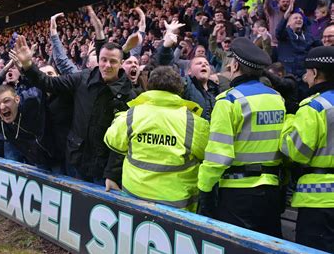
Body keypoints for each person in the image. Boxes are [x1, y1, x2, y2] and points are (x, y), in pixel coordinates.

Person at [15, 35, 136, 185]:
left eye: (113, 61)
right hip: (76, 161)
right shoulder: (82, 78)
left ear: (121, 63)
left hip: (103, 170)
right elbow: (49, 83)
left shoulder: (128, 95)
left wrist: (112, 174)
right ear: (99, 60)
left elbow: (123, 138)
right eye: (104, 60)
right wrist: (28, 65)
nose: (107, 65)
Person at [197, 37, 286, 237]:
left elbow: (218, 155)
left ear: (235, 65)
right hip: (271, 190)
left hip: (238, 194)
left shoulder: (228, 101)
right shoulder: (276, 98)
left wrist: (204, 188)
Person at [104, 66, 209, 211]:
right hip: (178, 209)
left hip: (134, 199)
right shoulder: (195, 122)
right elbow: (208, 155)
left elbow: (112, 141)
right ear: (180, 89)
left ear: (149, 86)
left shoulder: (131, 115)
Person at [280, 46, 334, 253]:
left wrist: (290, 119)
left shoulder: (314, 107)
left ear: (316, 73)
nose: (304, 78)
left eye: (307, 72)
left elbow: (295, 151)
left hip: (319, 200)